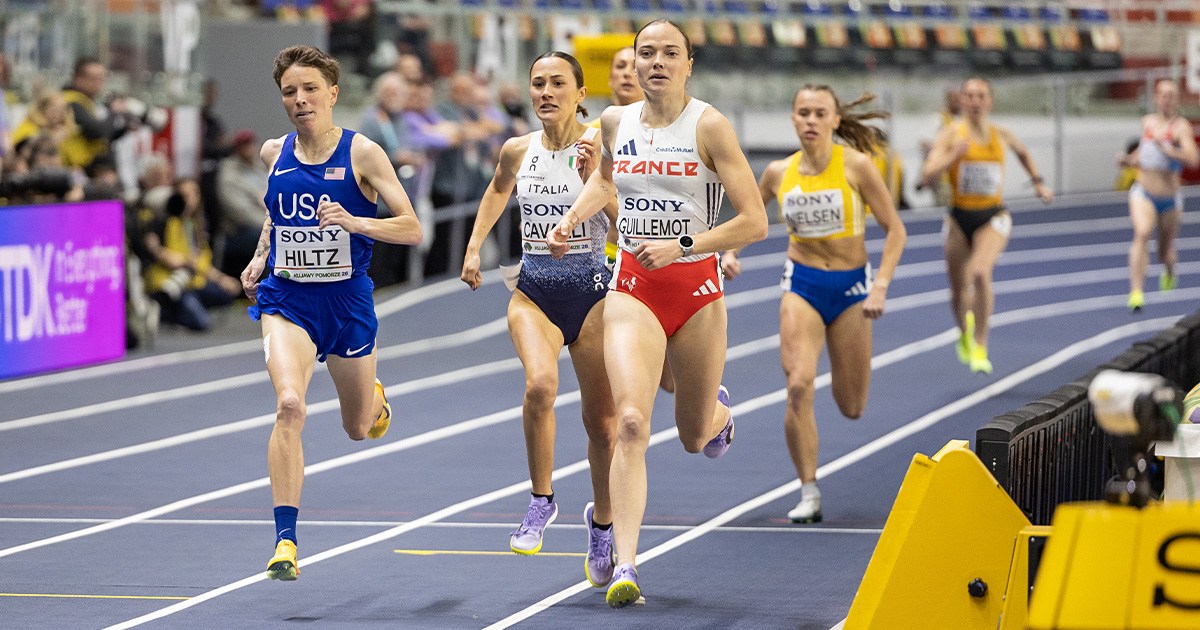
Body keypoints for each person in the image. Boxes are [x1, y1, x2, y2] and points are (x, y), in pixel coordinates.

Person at [548, 19, 768, 608]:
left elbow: (755, 221)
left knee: (693, 435)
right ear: (636, 63)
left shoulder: (710, 126)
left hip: (695, 289)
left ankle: (718, 414)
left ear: (688, 63)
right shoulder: (616, 122)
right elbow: (604, 180)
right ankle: (626, 565)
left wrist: (686, 246)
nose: (657, 63)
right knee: (630, 423)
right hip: (633, 287)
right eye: (647, 53)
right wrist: (571, 218)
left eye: (670, 53)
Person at [239, 45, 423, 582]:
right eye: (290, 92)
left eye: (310, 90)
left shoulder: (364, 153)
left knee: (357, 426)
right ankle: (286, 542)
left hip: (346, 302)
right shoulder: (274, 152)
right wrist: (259, 256)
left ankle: (374, 399)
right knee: (290, 405)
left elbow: (412, 228)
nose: (300, 100)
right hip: (288, 298)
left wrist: (355, 221)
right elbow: (276, 217)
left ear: (333, 94)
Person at [461, 51, 619, 587]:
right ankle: (541, 499)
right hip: (533, 291)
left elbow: (626, 222)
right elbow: (498, 189)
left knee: (602, 424)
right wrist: (475, 246)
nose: (546, 92)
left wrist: (595, 183)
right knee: (539, 386)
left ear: (580, 93)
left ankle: (602, 522)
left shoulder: (602, 145)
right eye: (538, 84)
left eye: (558, 83)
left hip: (594, 292)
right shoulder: (517, 149)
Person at [756, 86, 906, 523]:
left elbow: (895, 230)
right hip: (801, 284)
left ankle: (811, 482)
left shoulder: (857, 167)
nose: (810, 121)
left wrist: (880, 286)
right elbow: (748, 217)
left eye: (820, 113)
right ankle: (809, 490)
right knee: (799, 384)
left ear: (835, 120)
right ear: (792, 118)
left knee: (852, 405)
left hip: (852, 291)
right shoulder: (778, 173)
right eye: (803, 112)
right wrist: (728, 253)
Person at [919, 77, 1053, 375]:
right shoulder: (951, 135)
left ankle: (980, 344)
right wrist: (953, 156)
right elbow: (927, 176)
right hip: (958, 219)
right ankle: (964, 333)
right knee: (956, 292)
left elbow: (1023, 152)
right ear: (961, 101)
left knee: (980, 272)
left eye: (981, 95)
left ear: (989, 101)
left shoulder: (1001, 134)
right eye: (970, 96)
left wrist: (1038, 182)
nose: (976, 101)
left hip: (993, 216)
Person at [1122, 78, 1198, 312]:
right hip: (1143, 192)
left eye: (1171, 96)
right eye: (1162, 95)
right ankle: (1136, 293)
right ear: (1156, 97)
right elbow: (1142, 155)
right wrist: (1128, 161)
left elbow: (1194, 160)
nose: (1166, 100)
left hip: (1169, 198)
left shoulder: (1180, 127)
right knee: (1142, 233)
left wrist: (1168, 150)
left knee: (1164, 253)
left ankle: (1169, 270)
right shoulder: (1147, 123)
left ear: (1177, 100)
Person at [143, 179, 242, 331]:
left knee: (226, 293)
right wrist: (173, 257)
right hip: (170, 283)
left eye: (194, 194)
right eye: (184, 195)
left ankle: (182, 307)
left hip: (193, 282)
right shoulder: (164, 220)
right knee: (200, 321)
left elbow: (201, 261)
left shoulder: (196, 224)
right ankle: (165, 310)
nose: (190, 199)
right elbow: (158, 251)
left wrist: (222, 279)